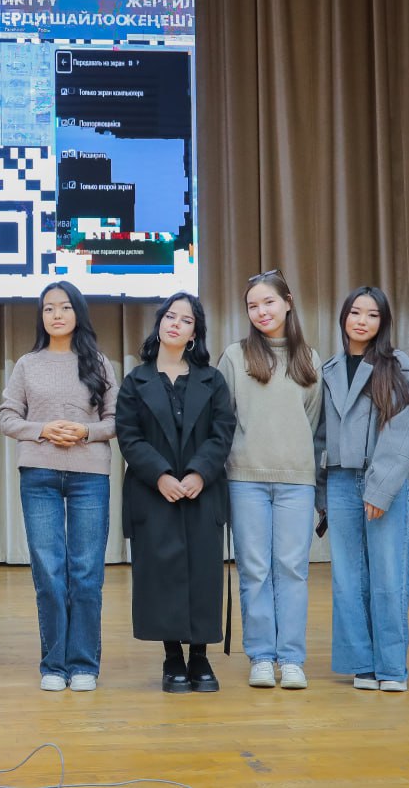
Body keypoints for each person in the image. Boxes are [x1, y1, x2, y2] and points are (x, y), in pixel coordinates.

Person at [0, 280, 117, 692]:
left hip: (90, 476)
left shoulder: (99, 363)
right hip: (39, 474)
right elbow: (7, 418)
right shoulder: (27, 364)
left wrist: (84, 432)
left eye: (64, 307)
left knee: (86, 572)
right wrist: (43, 429)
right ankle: (54, 664)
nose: (56, 315)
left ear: (77, 313)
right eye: (48, 308)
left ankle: (83, 664)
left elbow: (116, 420)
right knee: (49, 571)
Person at [114, 292, 235, 694]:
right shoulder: (136, 380)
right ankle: (172, 657)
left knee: (203, 573)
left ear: (194, 333)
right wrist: (161, 475)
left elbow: (222, 432)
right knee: (161, 575)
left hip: (203, 492)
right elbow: (129, 436)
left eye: (185, 320)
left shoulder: (212, 380)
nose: (175, 324)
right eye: (170, 316)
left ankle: (200, 656)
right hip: (154, 494)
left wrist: (200, 472)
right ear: (159, 324)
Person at [219, 269, 321, 690]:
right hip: (245, 480)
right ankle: (261, 656)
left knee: (292, 569)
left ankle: (292, 659)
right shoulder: (234, 356)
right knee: (255, 570)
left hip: (297, 481)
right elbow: (222, 419)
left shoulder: (309, 359)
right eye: (252, 306)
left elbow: (312, 421)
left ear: (288, 302)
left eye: (268, 302)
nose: (261, 311)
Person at [315, 287, 409, 692]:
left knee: (389, 574)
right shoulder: (329, 368)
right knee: (347, 577)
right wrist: (322, 494)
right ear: (343, 317)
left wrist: (380, 489)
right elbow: (320, 436)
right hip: (340, 483)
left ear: (383, 322)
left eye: (372, 314)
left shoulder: (397, 364)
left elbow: (403, 429)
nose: (362, 321)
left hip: (381, 481)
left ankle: (392, 668)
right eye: (355, 312)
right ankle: (362, 664)